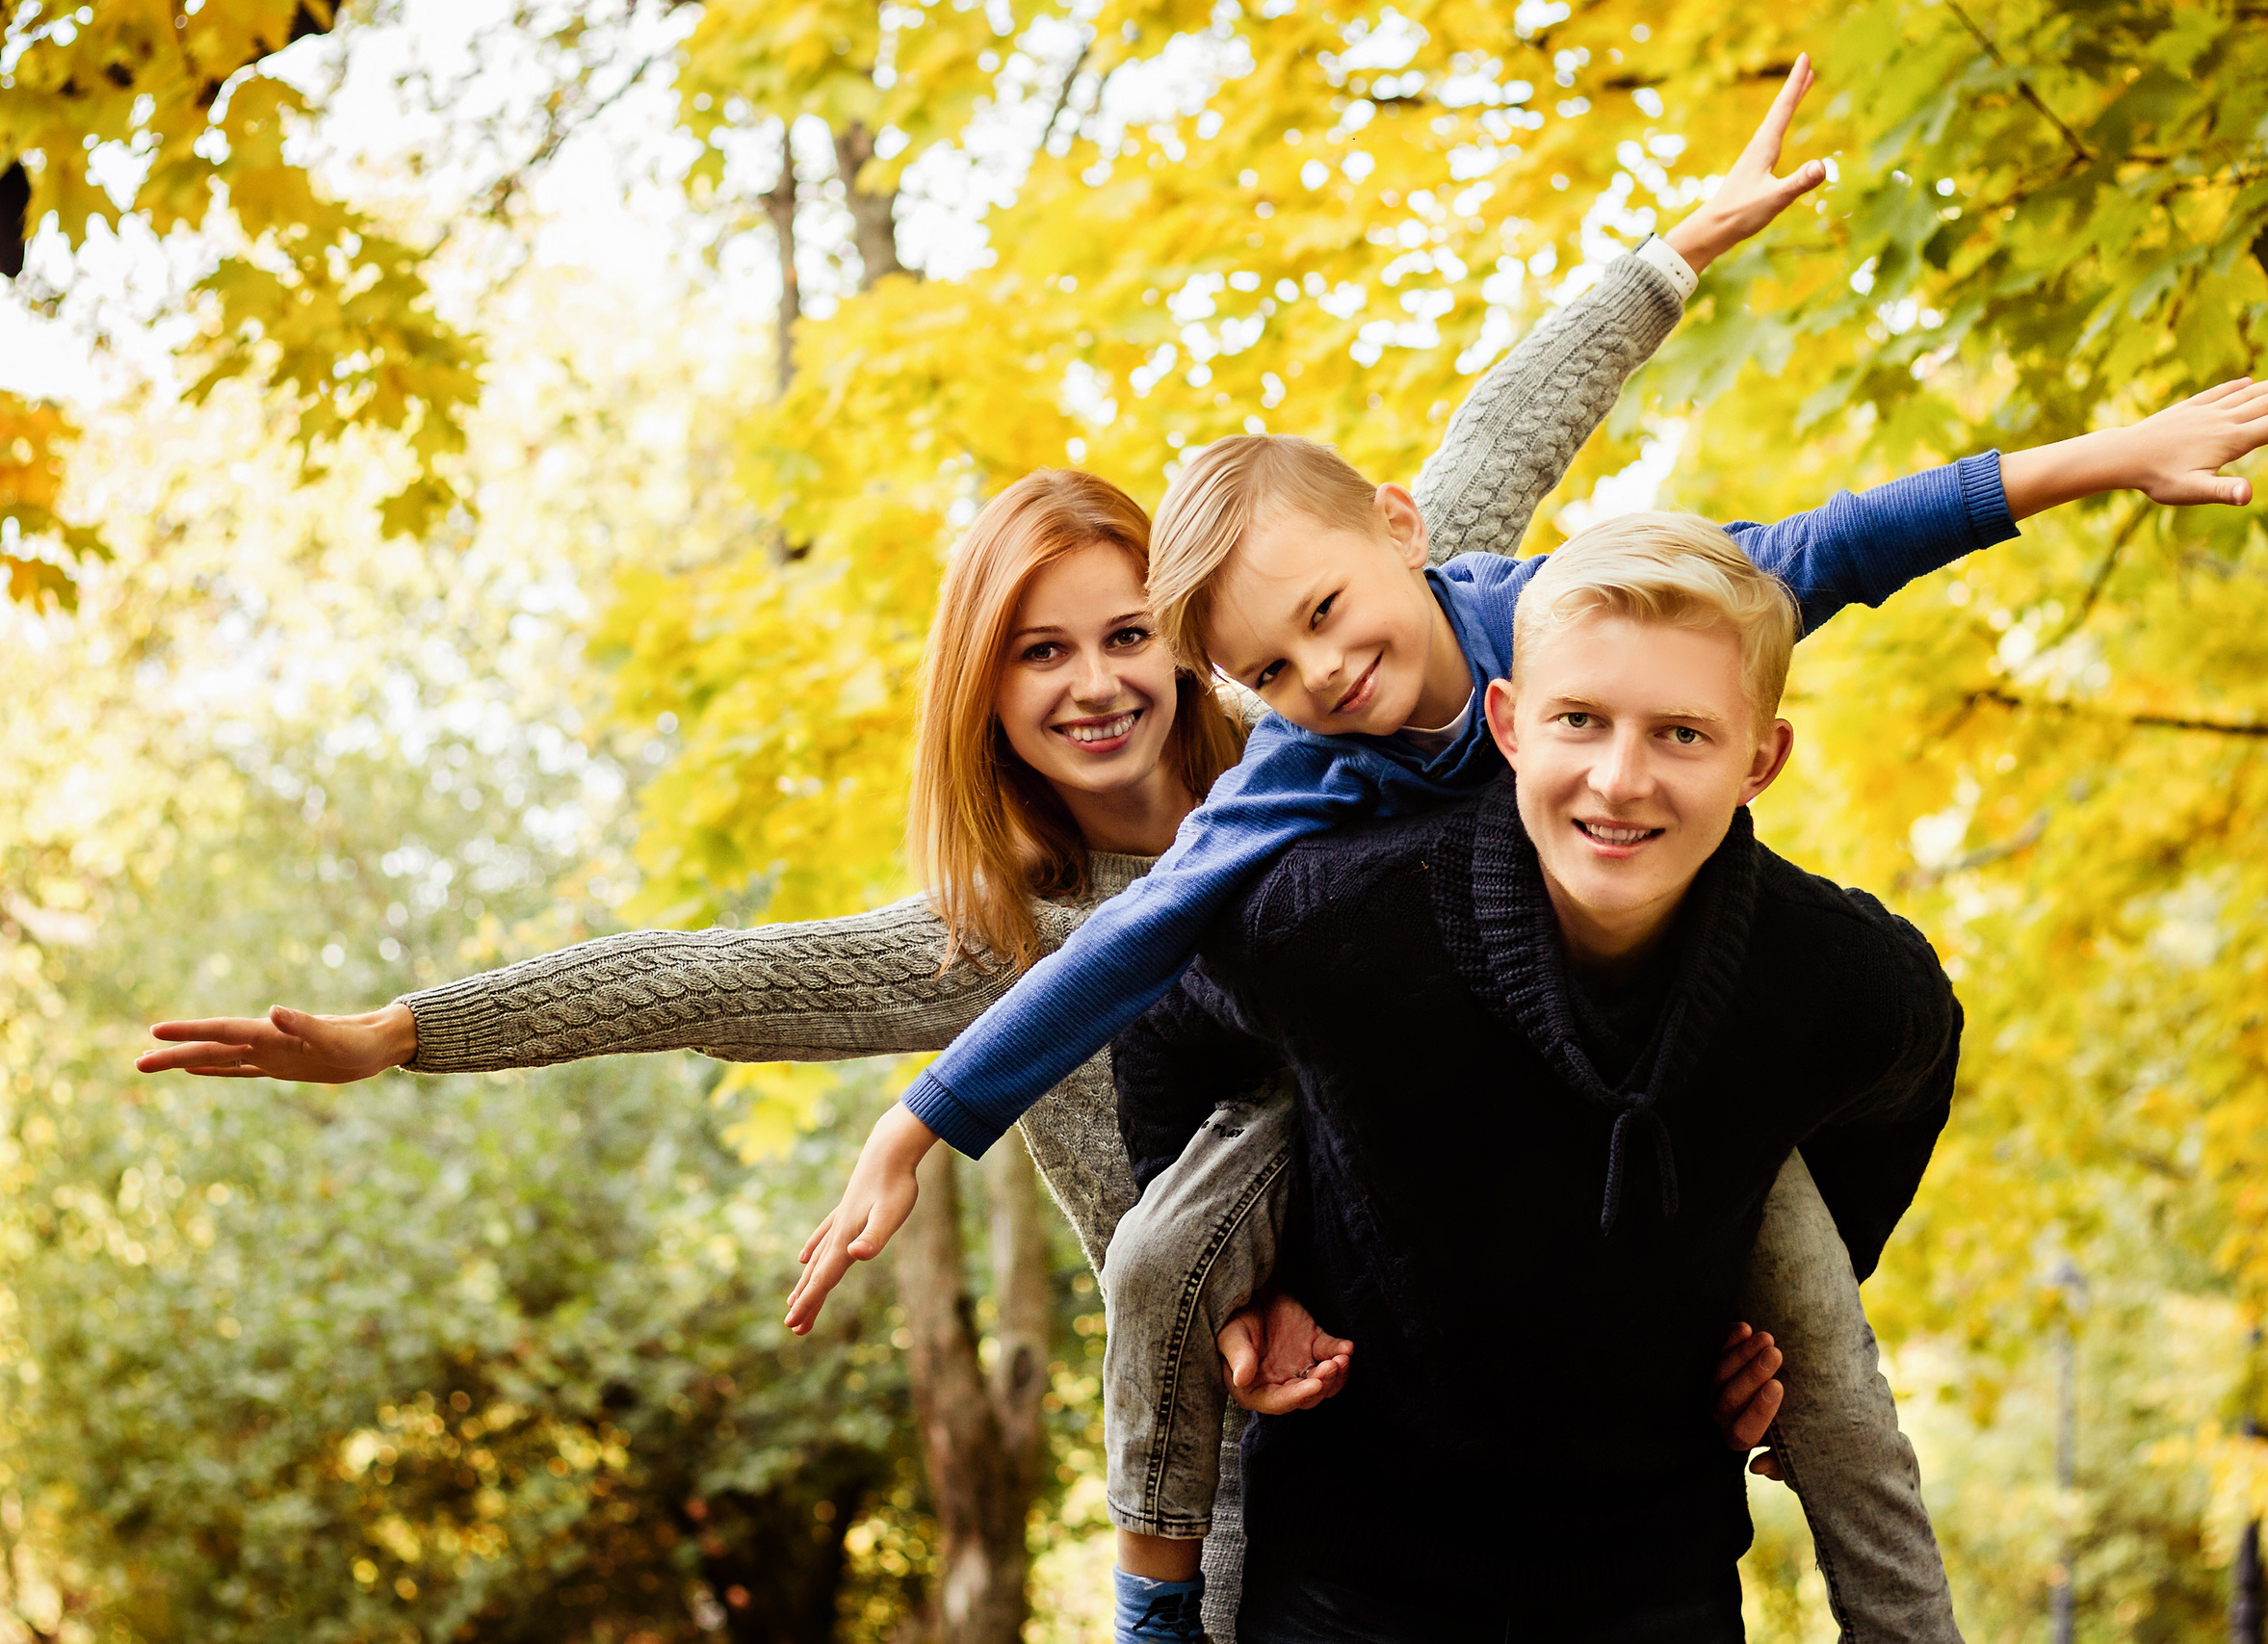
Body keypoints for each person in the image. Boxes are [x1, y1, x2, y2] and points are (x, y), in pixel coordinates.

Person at [134, 65, 1871, 1638]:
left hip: (1563, 1369)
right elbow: (699, 979)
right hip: (1293, 1455)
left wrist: (1663, 260)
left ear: (1196, 641)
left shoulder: (1332, 716)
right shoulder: (999, 944)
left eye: (1125, 633)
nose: (1097, 681)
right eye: (1040, 654)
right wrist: (407, 1029)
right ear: (985, 697)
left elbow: (1497, 446)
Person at [1112, 514, 1963, 1640]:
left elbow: (1912, 1066)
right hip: (1346, 1587)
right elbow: (1163, 1013)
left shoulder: (1839, 979)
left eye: (1681, 735)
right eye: (1579, 721)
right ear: (1509, 724)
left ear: (1760, 759)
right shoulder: (1339, 921)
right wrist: (1249, 1284)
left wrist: (1764, 1306)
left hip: (1654, 1593)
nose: (1620, 781)